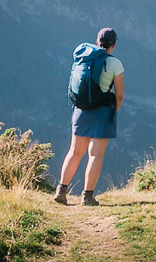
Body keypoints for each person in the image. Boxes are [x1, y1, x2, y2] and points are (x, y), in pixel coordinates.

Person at [55, 27, 124, 205]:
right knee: (95, 155)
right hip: (102, 112)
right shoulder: (115, 63)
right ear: (114, 44)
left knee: (75, 152)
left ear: (97, 41)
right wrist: (113, 112)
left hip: (81, 109)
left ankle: (61, 191)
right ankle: (87, 196)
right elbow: (119, 95)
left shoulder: (85, 58)